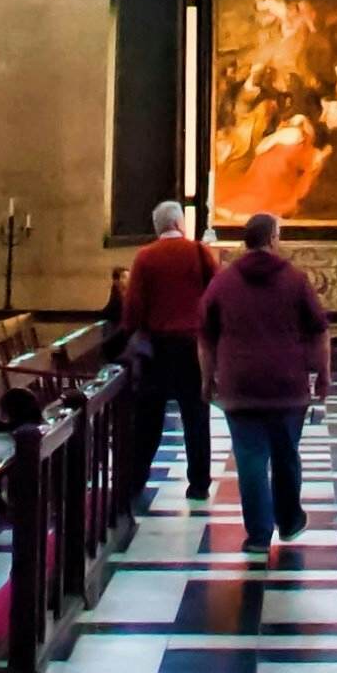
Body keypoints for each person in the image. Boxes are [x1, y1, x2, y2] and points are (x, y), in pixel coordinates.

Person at [199, 212, 330, 548]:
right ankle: (288, 521)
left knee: (250, 458)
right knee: (286, 454)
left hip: (239, 384)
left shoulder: (223, 282)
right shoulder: (296, 280)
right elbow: (319, 331)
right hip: (287, 384)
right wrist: (323, 375)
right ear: (272, 238)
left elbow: (206, 336)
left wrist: (206, 379)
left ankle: (258, 533)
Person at [118, 197, 222, 511]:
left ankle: (136, 481)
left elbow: (134, 306)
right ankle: (199, 484)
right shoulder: (198, 252)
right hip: (192, 345)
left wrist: (132, 332)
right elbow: (217, 293)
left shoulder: (146, 257)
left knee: (149, 417)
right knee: (196, 415)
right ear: (179, 223)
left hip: (158, 347)